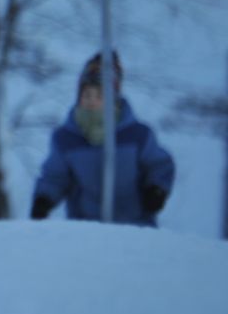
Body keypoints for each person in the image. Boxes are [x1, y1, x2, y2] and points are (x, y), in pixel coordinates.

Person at [30, 52, 175, 227]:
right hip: (86, 229)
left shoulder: (137, 136)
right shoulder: (67, 139)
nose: (91, 101)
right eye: (87, 95)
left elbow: (159, 165)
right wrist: (44, 200)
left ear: (113, 98)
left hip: (136, 226)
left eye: (99, 96)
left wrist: (157, 189)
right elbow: (55, 176)